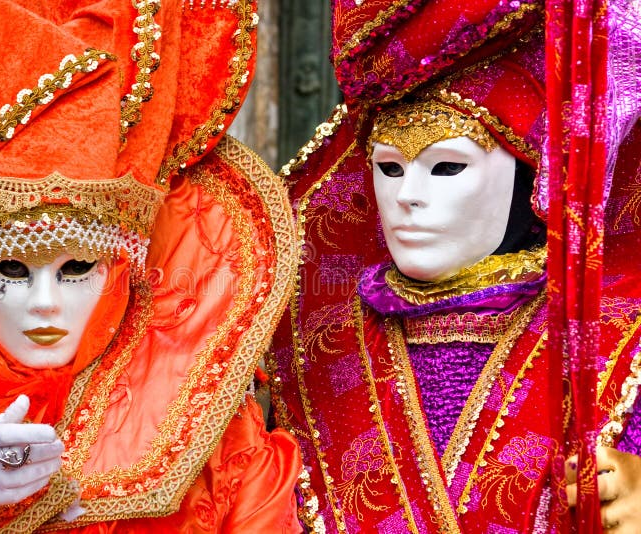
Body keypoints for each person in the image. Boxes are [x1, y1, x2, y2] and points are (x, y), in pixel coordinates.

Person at [0, 0, 303, 531]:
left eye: (77, 267)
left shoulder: (212, 432)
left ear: (121, 267)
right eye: (12, 269)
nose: (44, 302)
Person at [267, 0, 641, 532]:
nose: (408, 197)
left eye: (446, 166)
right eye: (389, 168)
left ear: (527, 175)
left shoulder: (615, 338)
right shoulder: (307, 341)